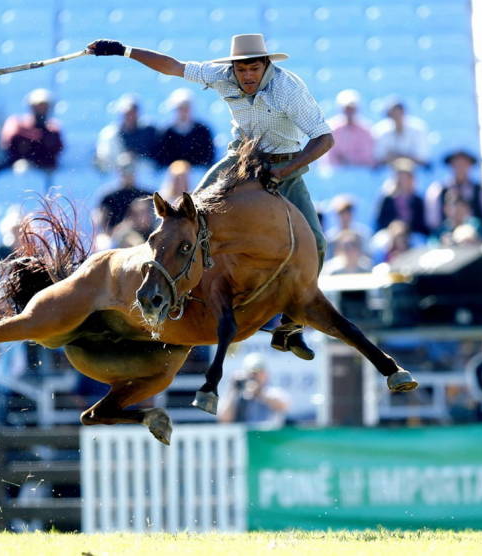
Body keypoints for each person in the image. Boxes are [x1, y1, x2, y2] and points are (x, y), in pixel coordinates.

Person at [87, 33, 334, 361]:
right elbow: (172, 67)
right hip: (239, 162)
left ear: (266, 66)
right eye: (242, 69)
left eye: (254, 69)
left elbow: (324, 139)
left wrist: (282, 172)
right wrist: (124, 50)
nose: (247, 76)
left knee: (316, 243)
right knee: (185, 219)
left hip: (284, 166)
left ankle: (290, 327)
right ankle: (174, 297)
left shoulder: (289, 89)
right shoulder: (221, 76)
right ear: (233, 68)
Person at [425, 149, 482, 232]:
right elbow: (433, 222)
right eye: (457, 165)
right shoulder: (438, 190)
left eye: (464, 164)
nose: (460, 168)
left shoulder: (480, 191)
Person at [218, 353, 290, 428]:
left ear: (266, 374)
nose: (254, 377)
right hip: (245, 437)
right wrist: (233, 390)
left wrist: (258, 392)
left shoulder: (273, 392)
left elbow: (283, 406)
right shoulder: (238, 394)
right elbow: (224, 419)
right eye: (251, 373)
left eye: (257, 373)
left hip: (269, 437)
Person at [0, 88, 64, 171]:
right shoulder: (18, 125)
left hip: (44, 169)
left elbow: (55, 154)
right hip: (20, 169)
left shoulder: (54, 130)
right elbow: (9, 148)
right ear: (31, 107)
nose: (41, 110)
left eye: (44, 107)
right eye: (38, 107)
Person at [95, 93, 159, 172]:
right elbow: (103, 162)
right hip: (116, 177)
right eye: (127, 113)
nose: (130, 116)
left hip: (143, 177)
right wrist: (122, 161)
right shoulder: (110, 135)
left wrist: (137, 157)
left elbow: (155, 161)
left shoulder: (149, 131)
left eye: (133, 112)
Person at [154, 88, 215, 168]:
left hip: (198, 174)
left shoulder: (203, 131)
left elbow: (209, 158)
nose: (183, 112)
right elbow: (160, 160)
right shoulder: (165, 132)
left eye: (186, 108)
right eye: (180, 109)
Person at [374, 158, 428, 237]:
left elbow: (422, 225)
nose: (403, 180)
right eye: (401, 177)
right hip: (390, 234)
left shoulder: (418, 200)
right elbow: (380, 222)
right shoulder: (387, 199)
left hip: (412, 235)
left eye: (406, 177)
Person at [97, 153, 151, 233]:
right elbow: (101, 221)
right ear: (119, 171)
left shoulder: (148, 195)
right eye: (125, 169)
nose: (128, 172)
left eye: (131, 168)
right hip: (117, 239)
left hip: (147, 238)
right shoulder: (108, 197)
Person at [372, 97, 430, 169]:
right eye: (392, 114)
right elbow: (379, 158)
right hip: (389, 172)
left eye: (398, 112)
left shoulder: (418, 129)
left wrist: (397, 157)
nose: (396, 116)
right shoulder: (381, 130)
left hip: (415, 172)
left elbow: (422, 158)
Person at [326, 89, 375, 167]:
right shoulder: (332, 129)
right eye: (347, 108)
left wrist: (350, 161)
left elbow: (368, 158)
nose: (349, 112)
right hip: (337, 173)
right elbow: (329, 158)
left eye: (352, 109)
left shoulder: (366, 130)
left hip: (361, 173)